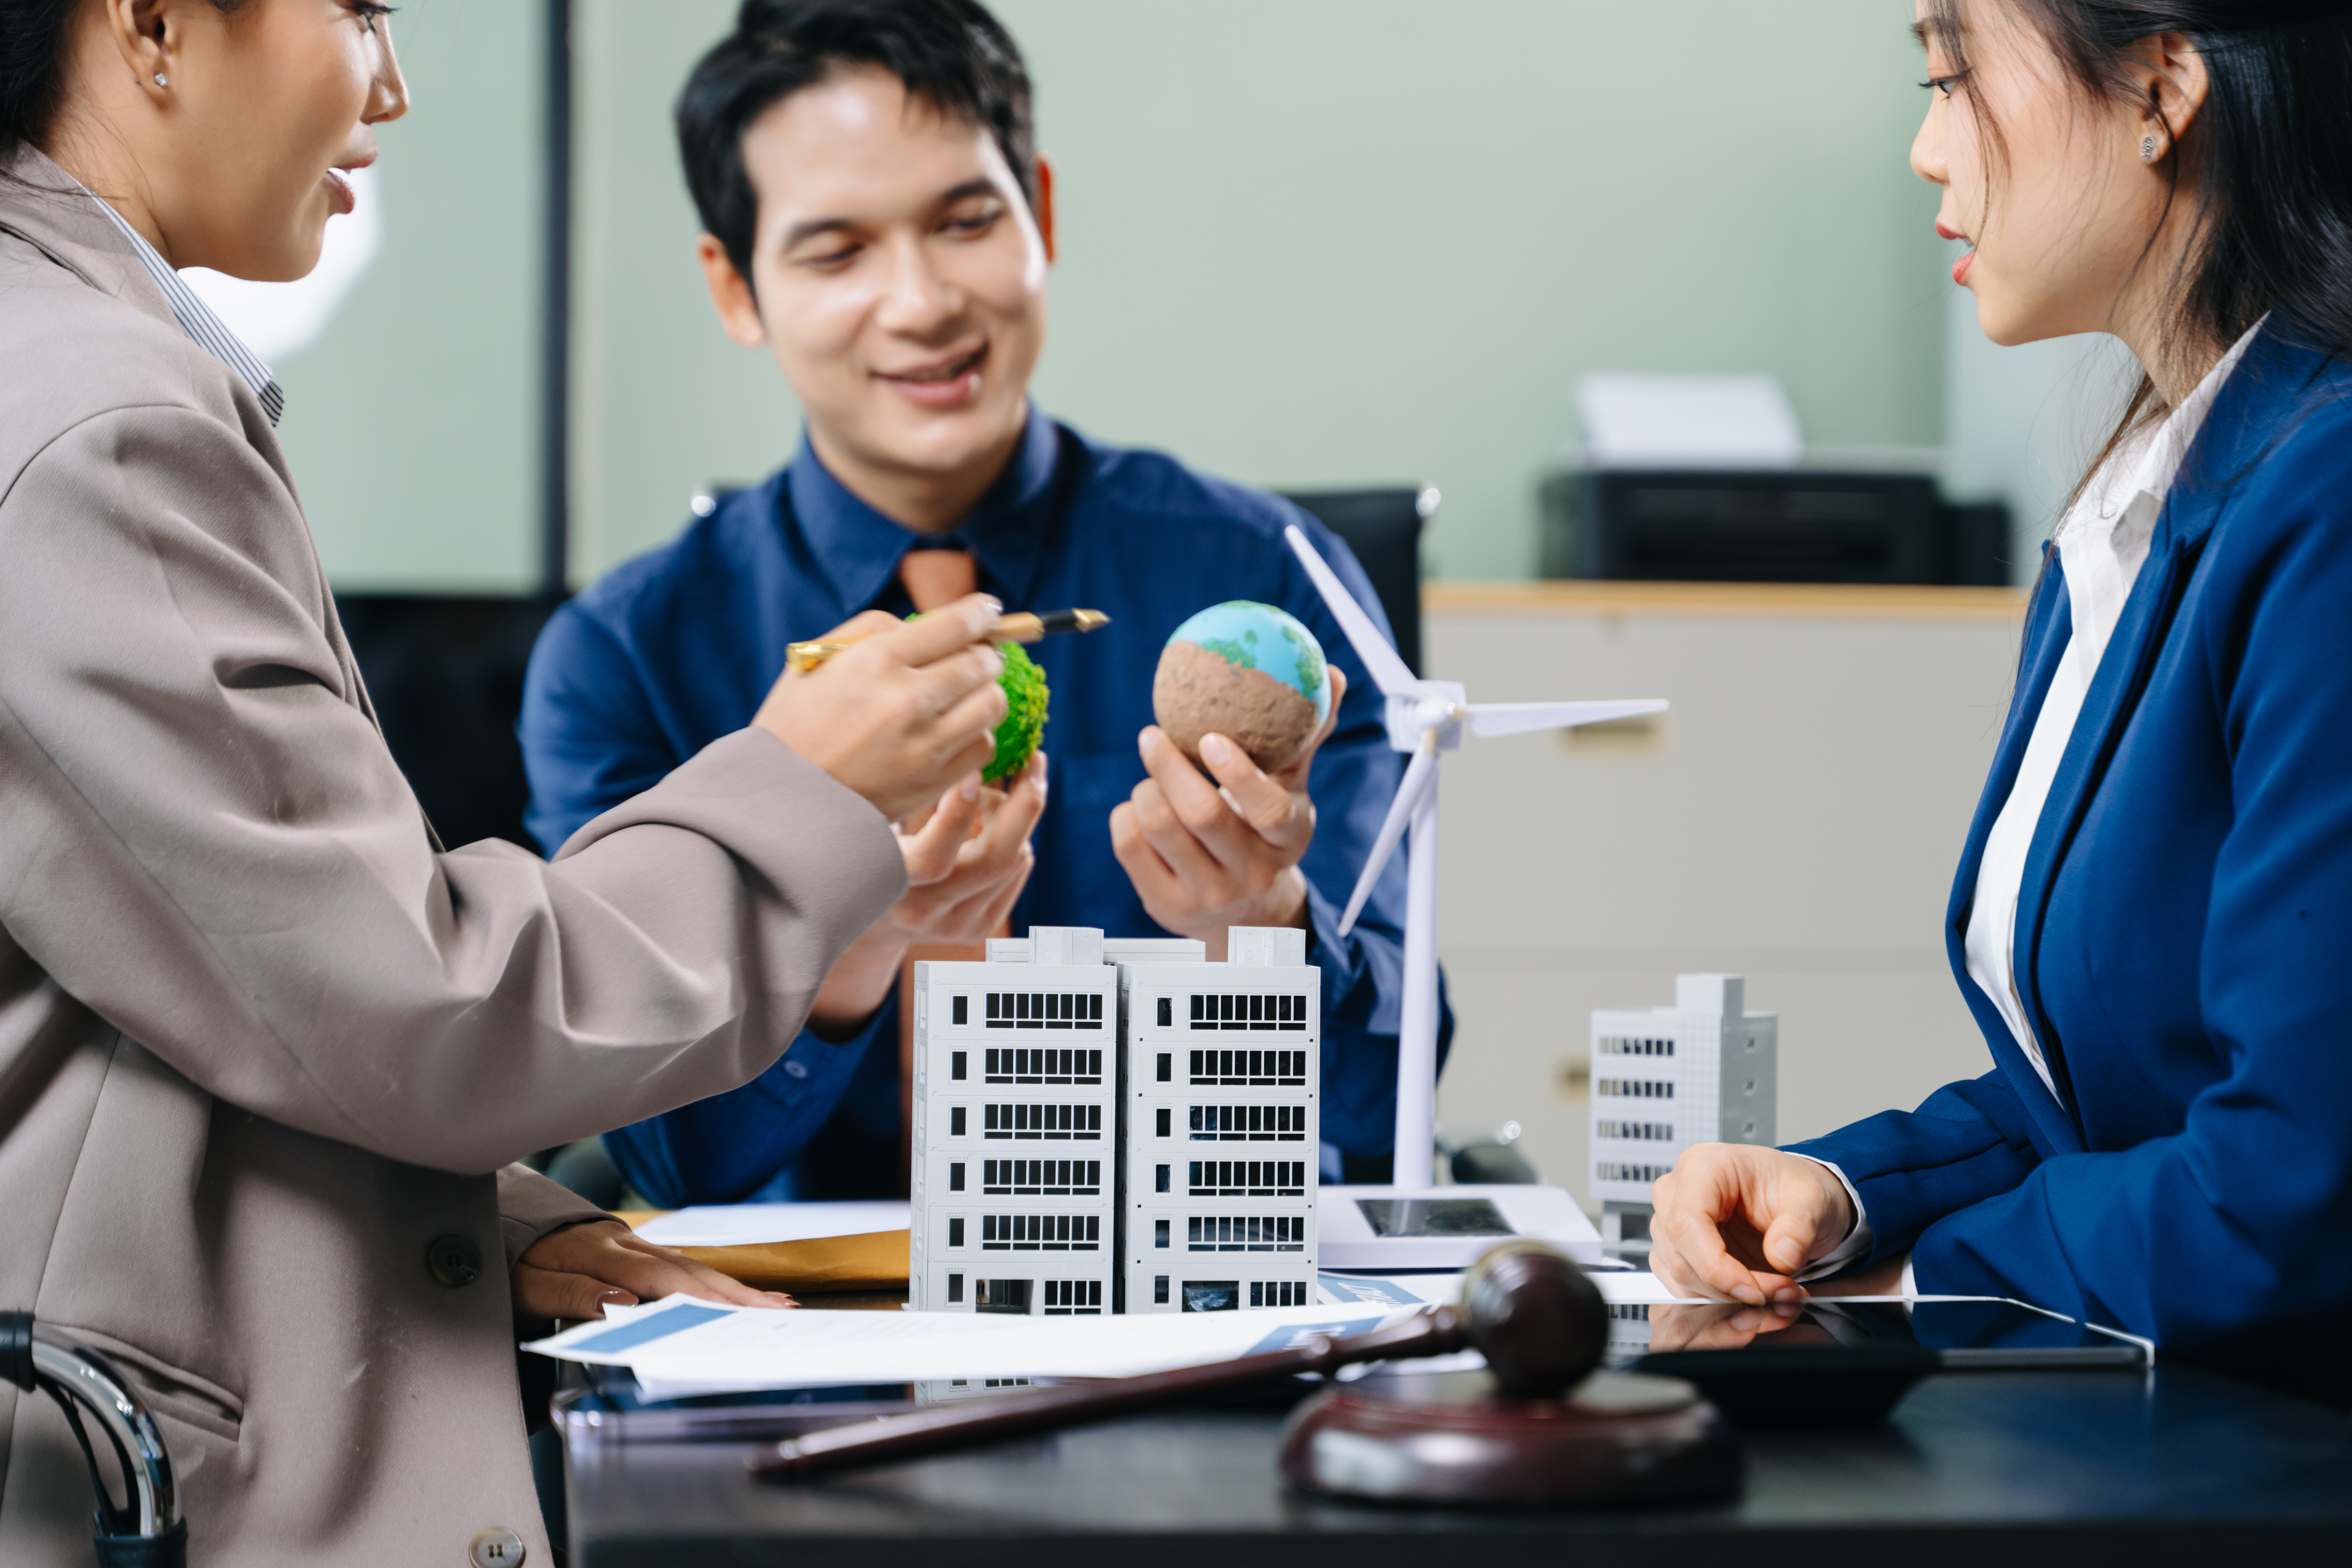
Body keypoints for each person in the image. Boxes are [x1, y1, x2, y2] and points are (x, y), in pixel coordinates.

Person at [0, 1, 1015, 1561]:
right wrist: (803, 793)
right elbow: (425, 1008)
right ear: (151, 24)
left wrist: (494, 1224)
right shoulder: (96, 422)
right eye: (360, 11)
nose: (391, 85)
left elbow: (215, 987)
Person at [519, 0, 1447, 1209]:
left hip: (1196, 1316)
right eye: (836, 250)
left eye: (965, 222)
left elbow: (1395, 1097)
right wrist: (848, 945)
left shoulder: (1272, 581)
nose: (920, 304)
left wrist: (1260, 935)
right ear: (735, 286)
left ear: (1040, 215)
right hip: (809, 1347)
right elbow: (654, 1152)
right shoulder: (623, 656)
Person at [1648, 0, 2352, 1396]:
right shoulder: (2135, 513)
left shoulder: (2321, 499)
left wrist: (1919, 1277)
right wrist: (1843, 1193)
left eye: (1950, 73)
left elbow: (2287, 1186)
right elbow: (2094, 1098)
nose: (1925, 148)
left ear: (2160, 88)